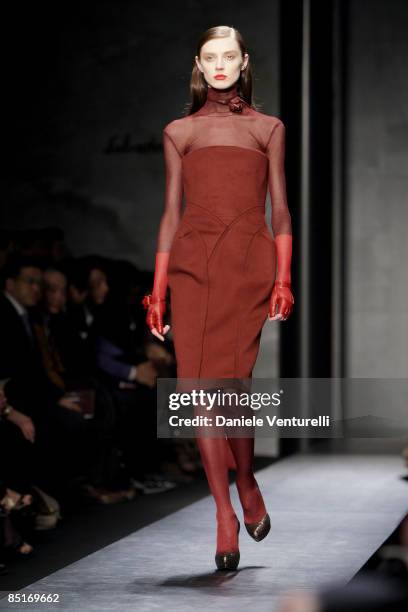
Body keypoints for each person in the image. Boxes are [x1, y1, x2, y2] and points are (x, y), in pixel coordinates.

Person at [142, 25, 294, 570]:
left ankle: (247, 480)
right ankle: (224, 512)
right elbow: (170, 214)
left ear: (244, 61)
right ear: (199, 66)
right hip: (192, 263)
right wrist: (157, 291)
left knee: (234, 386)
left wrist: (283, 277)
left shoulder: (268, 128)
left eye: (230, 55)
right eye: (212, 57)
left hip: (247, 262)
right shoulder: (178, 132)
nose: (221, 64)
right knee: (198, 391)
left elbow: (280, 208)